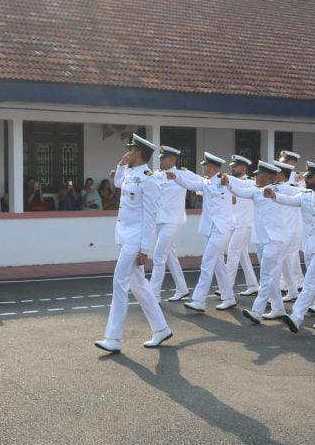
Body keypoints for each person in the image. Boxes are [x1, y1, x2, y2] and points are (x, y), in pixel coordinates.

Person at [94, 134, 173, 353]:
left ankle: (113, 337)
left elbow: (150, 216)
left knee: (119, 280)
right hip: (125, 235)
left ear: (138, 153)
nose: (127, 152)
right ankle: (161, 328)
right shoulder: (131, 173)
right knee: (138, 284)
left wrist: (145, 249)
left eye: (131, 150)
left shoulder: (149, 179)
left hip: (136, 239)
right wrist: (120, 164)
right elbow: (119, 182)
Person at [269, 161, 315, 332]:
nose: (305, 179)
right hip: (309, 247)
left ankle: (296, 316)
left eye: (309, 176)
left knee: (309, 281)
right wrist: (273, 196)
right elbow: (288, 200)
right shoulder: (304, 195)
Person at [167, 152, 237, 312]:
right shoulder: (205, 182)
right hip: (208, 228)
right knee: (218, 264)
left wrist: (232, 187)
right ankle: (229, 298)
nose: (203, 167)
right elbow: (190, 184)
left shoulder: (227, 180)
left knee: (207, 263)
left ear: (211, 167)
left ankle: (199, 300)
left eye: (205, 165)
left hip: (221, 229)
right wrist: (176, 178)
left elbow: (242, 187)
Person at [230, 161, 295, 324]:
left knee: (265, 276)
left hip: (276, 239)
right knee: (270, 276)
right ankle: (278, 308)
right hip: (260, 239)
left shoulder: (282, 189)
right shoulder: (254, 191)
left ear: (268, 177)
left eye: (258, 175)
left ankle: (257, 311)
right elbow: (239, 191)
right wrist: (227, 185)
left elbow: (303, 192)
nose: (255, 177)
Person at [148, 146, 190, 302]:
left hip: (173, 220)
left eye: (162, 158)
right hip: (160, 220)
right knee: (170, 255)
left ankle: (154, 294)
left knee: (159, 255)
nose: (159, 160)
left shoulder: (183, 174)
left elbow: (204, 184)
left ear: (172, 160)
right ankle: (182, 288)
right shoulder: (156, 174)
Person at [225, 155, 260, 297]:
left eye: (236, 166)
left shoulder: (251, 182)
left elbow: (239, 189)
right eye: (232, 166)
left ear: (244, 168)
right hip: (236, 223)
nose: (233, 168)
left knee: (232, 252)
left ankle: (226, 287)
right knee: (242, 255)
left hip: (245, 223)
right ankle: (252, 285)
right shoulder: (233, 181)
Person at [277, 150, 304, 299]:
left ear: (292, 164)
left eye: (284, 162)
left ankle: (288, 285)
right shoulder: (279, 178)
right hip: (282, 221)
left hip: (293, 222)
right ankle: (296, 283)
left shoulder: (298, 179)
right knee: (288, 255)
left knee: (289, 255)